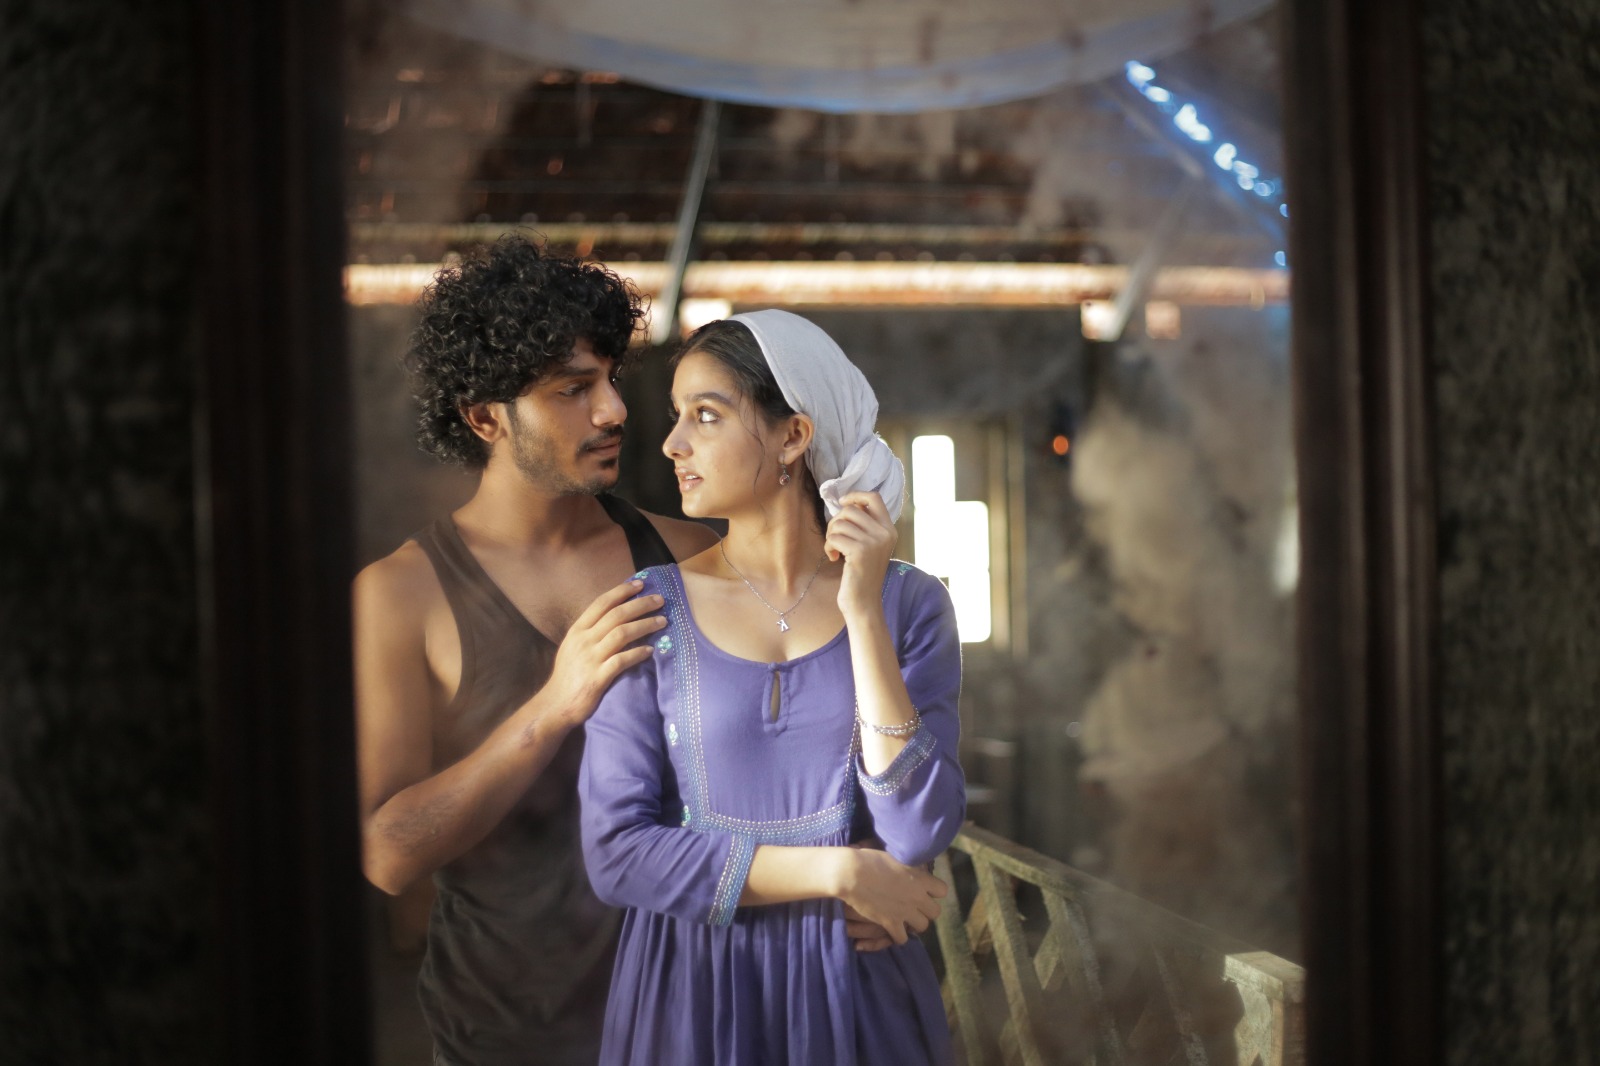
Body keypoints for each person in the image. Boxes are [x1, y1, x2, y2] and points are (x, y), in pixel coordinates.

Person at [351, 235, 718, 1066]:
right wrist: (554, 706)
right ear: (484, 417)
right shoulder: (400, 596)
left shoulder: (694, 558)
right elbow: (387, 854)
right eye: (572, 389)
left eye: (610, 379)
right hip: (504, 1036)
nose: (614, 411)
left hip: (688, 1018)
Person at [579, 310, 966, 1065]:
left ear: (793, 436)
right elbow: (615, 852)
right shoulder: (648, 611)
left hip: (856, 991)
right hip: (690, 989)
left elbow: (919, 831)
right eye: (677, 416)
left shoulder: (908, 605)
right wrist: (839, 870)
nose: (673, 444)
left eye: (706, 415)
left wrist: (862, 613)